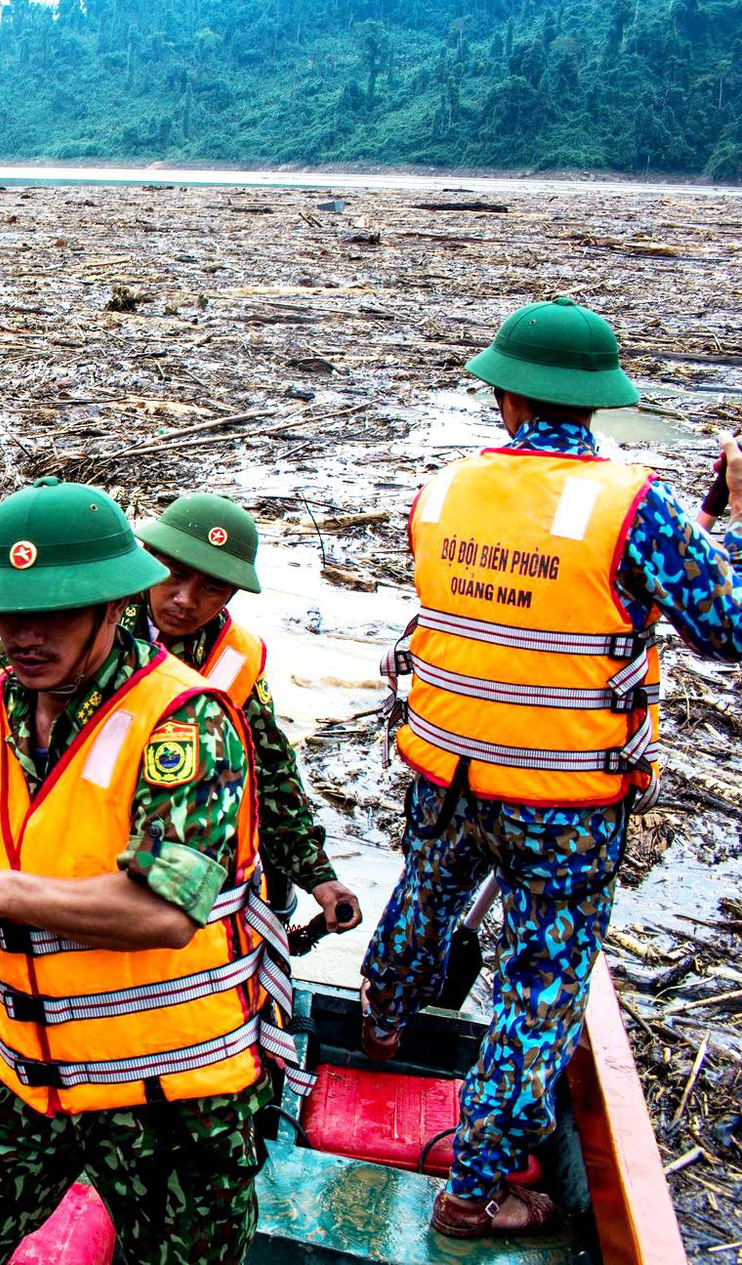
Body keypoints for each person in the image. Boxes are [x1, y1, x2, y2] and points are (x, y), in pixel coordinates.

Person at [0, 478, 312, 1265]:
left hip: (172, 1096)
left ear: (113, 607)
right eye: (8, 612)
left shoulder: (185, 719)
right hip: (26, 1070)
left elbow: (170, 910)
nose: (24, 635)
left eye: (54, 613)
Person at [365, 297, 742, 1238]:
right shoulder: (634, 504)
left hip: (449, 771)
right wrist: (735, 525)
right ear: (598, 405)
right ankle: (476, 1186)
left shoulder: (443, 489)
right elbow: (722, 620)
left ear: (506, 400)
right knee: (542, 977)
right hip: (562, 801)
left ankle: (379, 1017)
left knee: (425, 894)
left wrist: (704, 527)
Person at [129, 493, 362, 933]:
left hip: (173, 851)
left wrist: (321, 879)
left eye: (211, 588)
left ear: (231, 594)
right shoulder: (91, 622)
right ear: (148, 559)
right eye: (174, 574)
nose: (184, 599)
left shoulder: (234, 660)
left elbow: (269, 773)